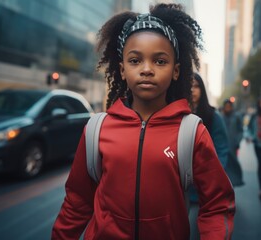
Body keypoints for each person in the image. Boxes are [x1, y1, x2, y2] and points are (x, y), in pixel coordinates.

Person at [51, 4, 235, 240]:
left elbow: (217, 204)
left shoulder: (191, 131)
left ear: (176, 71)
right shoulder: (97, 129)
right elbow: (77, 202)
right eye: (135, 60)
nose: (147, 70)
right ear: (123, 70)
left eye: (160, 61)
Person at [189, 72, 230, 240]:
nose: (192, 90)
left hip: (201, 186)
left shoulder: (213, 117)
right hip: (176, 183)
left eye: (196, 86)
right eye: (188, 85)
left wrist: (212, 177)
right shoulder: (173, 114)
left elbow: (222, 149)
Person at [221, 99, 244, 187]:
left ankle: (233, 182)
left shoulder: (236, 117)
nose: (227, 108)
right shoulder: (220, 116)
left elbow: (240, 131)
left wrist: (237, 141)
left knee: (233, 165)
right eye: (226, 106)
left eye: (229, 106)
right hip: (222, 146)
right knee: (223, 166)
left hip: (233, 146)